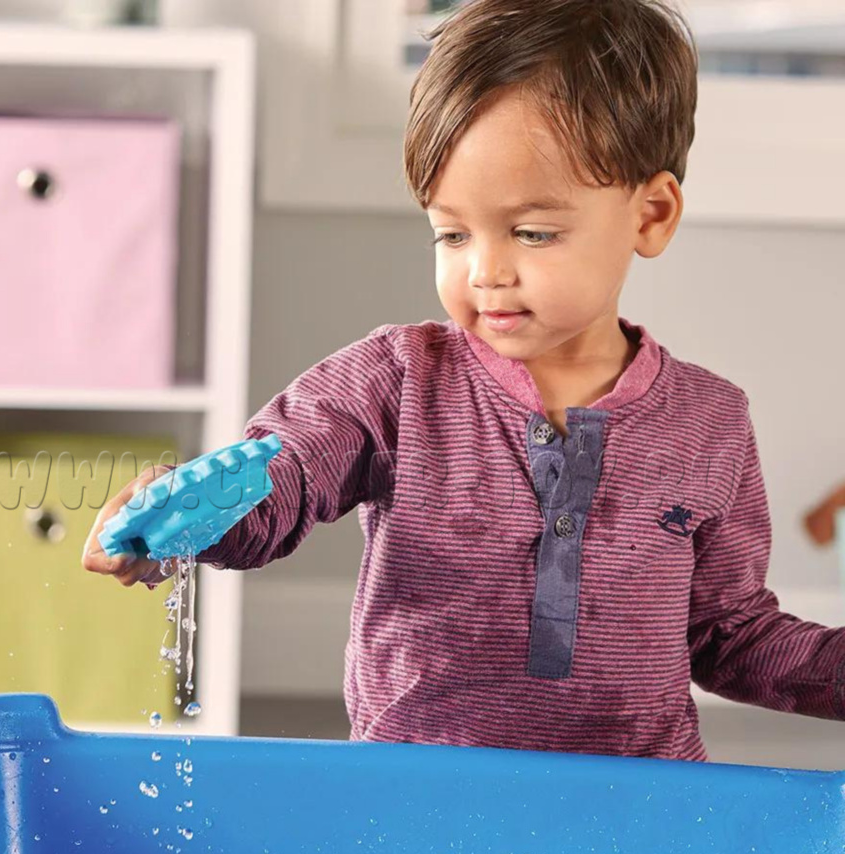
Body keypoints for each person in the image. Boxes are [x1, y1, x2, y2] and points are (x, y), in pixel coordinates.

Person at [84, 0, 845, 760]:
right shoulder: (394, 380)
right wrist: (190, 520)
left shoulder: (711, 421)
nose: (485, 271)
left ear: (650, 215)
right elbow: (288, 473)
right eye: (451, 233)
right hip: (416, 791)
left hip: (641, 801)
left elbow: (730, 636)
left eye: (532, 232)